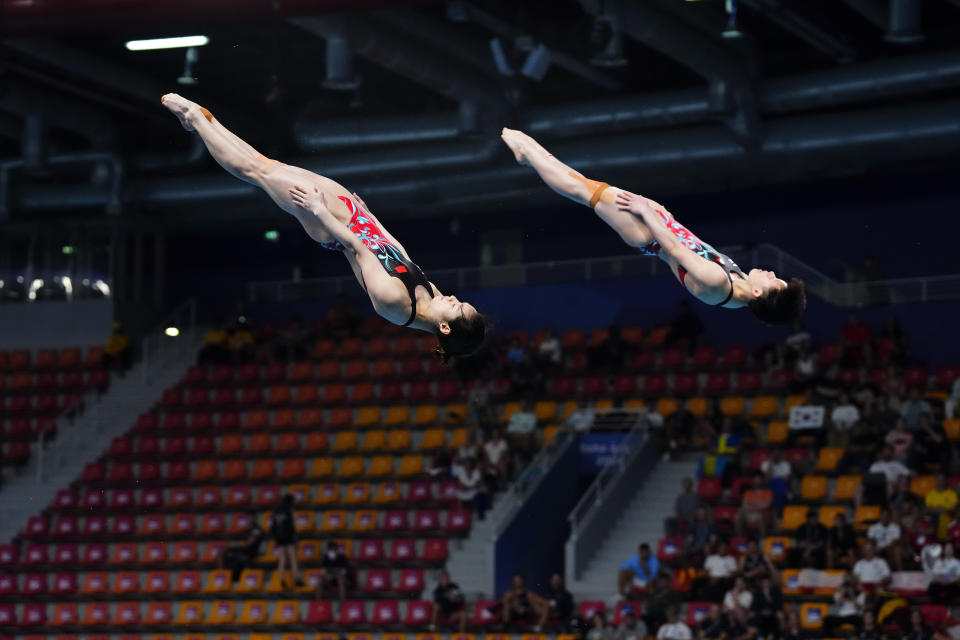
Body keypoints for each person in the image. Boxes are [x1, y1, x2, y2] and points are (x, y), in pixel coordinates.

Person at [162, 94, 487, 361]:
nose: (454, 297)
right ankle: (204, 121)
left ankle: (195, 119)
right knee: (270, 166)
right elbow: (395, 249)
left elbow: (358, 249)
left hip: (331, 226)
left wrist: (318, 209)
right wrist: (370, 215)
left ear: (445, 328)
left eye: (457, 306)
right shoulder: (432, 296)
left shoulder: (397, 306)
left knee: (256, 172)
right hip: (353, 218)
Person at [500, 128, 805, 324]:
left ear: (757, 292)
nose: (771, 272)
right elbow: (696, 247)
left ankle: (527, 152)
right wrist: (668, 220)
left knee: (582, 189)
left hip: (650, 235)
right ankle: (528, 151)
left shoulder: (718, 285)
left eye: (773, 281)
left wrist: (647, 213)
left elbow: (673, 249)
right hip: (661, 228)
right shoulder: (738, 288)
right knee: (584, 186)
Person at [216, 512, 265, 581]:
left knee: (228, 553)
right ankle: (221, 574)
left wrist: (240, 547)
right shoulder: (248, 530)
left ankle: (228, 576)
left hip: (251, 551)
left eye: (251, 518)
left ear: (255, 519)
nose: (249, 520)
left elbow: (249, 543)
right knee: (222, 552)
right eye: (248, 518)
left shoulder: (257, 529)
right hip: (244, 549)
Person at [269, 494, 302, 588]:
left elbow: (273, 526)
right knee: (293, 558)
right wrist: (295, 539)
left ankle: (282, 578)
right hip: (289, 537)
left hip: (279, 537)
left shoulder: (276, 511)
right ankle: (297, 578)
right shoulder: (289, 510)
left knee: (282, 559)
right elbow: (293, 526)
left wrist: (276, 538)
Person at [925, 475, 958, 541]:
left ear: (945, 481)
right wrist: (941, 510)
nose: (940, 482)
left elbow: (955, 509)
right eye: (938, 480)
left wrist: (941, 510)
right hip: (934, 529)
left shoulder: (952, 494)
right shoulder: (930, 494)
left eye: (942, 480)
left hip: (949, 529)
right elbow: (927, 509)